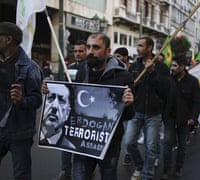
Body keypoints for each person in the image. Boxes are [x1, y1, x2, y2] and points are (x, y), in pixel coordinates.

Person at [72, 33, 134, 180]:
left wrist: (128, 103)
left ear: (107, 51)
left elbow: (129, 114)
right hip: (83, 138)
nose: (90, 51)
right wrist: (51, 93)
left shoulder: (123, 76)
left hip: (110, 141)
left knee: (108, 175)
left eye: (96, 47)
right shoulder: (82, 70)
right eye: (88, 47)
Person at [0, 22, 42, 180]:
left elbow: (37, 99)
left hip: (19, 132)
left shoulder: (30, 68)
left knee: (21, 174)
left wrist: (22, 100)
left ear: (8, 39)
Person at [125, 36, 170, 180]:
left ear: (150, 48)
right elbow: (129, 86)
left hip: (154, 113)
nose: (138, 48)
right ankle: (139, 165)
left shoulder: (162, 68)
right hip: (136, 111)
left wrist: (152, 72)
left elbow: (165, 90)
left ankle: (146, 175)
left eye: (140, 46)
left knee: (151, 148)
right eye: (137, 45)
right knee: (129, 143)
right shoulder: (134, 66)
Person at [161, 54, 200, 179]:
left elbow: (197, 102)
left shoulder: (193, 82)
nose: (172, 68)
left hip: (185, 120)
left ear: (182, 67)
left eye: (175, 66)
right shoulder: (168, 80)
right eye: (171, 65)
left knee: (182, 146)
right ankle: (166, 170)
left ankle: (178, 168)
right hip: (170, 119)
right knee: (167, 143)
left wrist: (193, 118)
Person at [53, 40, 87, 180]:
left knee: (82, 144)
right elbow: (63, 88)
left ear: (86, 51)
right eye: (76, 51)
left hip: (84, 112)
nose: (78, 54)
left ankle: (86, 171)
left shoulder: (90, 68)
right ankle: (65, 170)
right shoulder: (70, 67)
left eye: (81, 51)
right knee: (65, 141)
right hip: (68, 111)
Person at [40, 83, 75, 149]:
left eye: (61, 101)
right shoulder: (30, 138)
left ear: (68, 113)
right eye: (50, 97)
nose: (55, 106)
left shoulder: (69, 148)